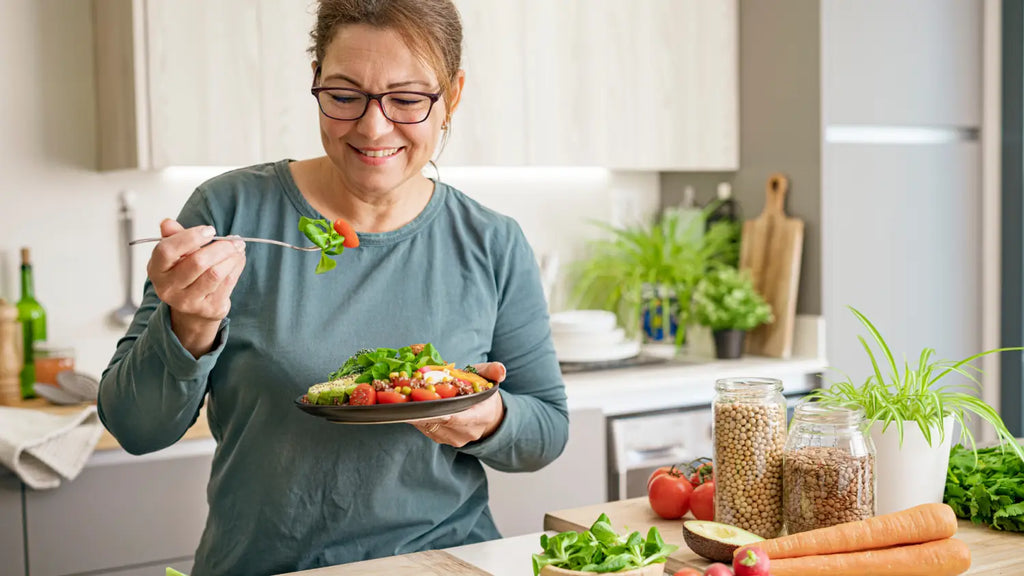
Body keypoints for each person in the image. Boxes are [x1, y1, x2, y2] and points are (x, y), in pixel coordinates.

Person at [97, 1, 569, 574]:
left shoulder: (492, 240)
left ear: (453, 95)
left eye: (407, 99)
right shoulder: (229, 210)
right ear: (315, 79)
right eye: (344, 95)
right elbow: (134, 427)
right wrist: (188, 326)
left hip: (441, 563)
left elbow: (546, 431)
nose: (373, 127)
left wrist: (486, 418)